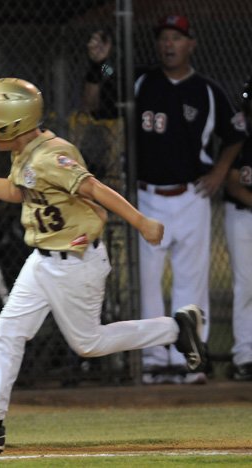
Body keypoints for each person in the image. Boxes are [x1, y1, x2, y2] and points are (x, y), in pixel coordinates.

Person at [0, 77, 207, 454]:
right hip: (43, 259)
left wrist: (141, 222)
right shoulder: (25, 149)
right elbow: (17, 191)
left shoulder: (52, 155)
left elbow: (94, 188)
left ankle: (176, 329)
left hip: (75, 261)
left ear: (11, 124)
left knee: (88, 343)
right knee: (8, 331)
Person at [134, 15, 246, 384]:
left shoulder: (209, 91)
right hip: (147, 197)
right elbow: (103, 86)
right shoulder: (141, 81)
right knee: (148, 282)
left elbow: (235, 135)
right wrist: (98, 63)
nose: (169, 44)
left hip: (191, 197)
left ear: (191, 44)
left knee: (191, 283)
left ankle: (191, 360)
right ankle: (154, 360)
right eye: (164, 37)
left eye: (177, 38)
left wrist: (219, 171)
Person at [224, 75, 252, 381]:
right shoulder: (240, 134)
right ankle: (245, 356)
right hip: (241, 216)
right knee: (245, 286)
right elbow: (232, 185)